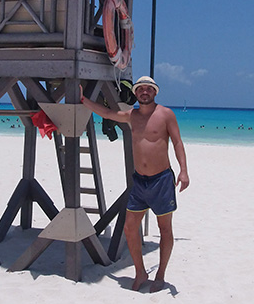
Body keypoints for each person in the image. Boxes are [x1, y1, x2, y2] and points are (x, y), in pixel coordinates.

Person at [80, 76, 189, 292]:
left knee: (165, 229)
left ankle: (160, 275)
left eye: (148, 89)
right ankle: (140, 272)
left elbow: (177, 142)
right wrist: (84, 100)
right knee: (130, 228)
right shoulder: (132, 115)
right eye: (140, 89)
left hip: (161, 180)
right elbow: (107, 113)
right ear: (136, 93)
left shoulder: (166, 114)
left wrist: (183, 171)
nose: (144, 92)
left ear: (155, 92)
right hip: (139, 181)